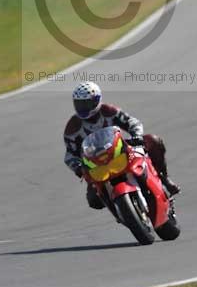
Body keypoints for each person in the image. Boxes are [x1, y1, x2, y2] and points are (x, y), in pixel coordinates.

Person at [64, 81, 180, 209]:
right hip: (96, 165)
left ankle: (164, 179)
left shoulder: (108, 111)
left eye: (86, 103)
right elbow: (70, 155)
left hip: (120, 151)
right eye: (79, 104)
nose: (83, 108)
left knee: (153, 141)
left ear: (97, 100)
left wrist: (136, 135)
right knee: (94, 201)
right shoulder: (72, 127)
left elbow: (132, 122)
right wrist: (78, 167)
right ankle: (120, 210)